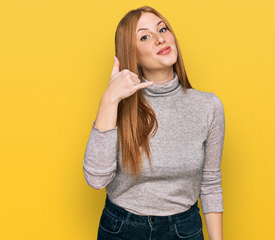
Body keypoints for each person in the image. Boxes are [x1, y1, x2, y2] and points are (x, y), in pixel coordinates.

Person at [83, 6, 225, 240]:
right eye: (145, 36)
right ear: (133, 53)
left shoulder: (208, 106)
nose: (160, 39)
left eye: (163, 29)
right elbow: (96, 180)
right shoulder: (118, 105)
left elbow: (210, 183)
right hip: (121, 229)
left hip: (184, 229)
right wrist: (109, 99)